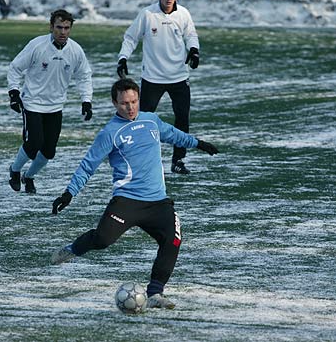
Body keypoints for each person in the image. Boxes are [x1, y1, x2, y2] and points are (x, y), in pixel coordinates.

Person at [51, 78, 218, 309]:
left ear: (139, 98)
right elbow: (88, 166)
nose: (130, 107)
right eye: (124, 103)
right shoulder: (110, 133)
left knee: (173, 240)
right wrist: (68, 194)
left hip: (158, 202)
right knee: (102, 240)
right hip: (127, 201)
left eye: (134, 101)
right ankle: (72, 249)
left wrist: (198, 143)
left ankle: (155, 294)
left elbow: (174, 134)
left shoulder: (152, 121)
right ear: (114, 103)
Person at [117, 0, 200, 175]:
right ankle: (139, 160)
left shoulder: (183, 14)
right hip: (153, 78)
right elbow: (130, 37)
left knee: (182, 119)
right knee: (142, 120)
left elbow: (191, 35)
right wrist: (122, 58)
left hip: (179, 77)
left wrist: (194, 50)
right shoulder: (147, 14)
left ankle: (178, 160)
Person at [7, 9, 93, 194]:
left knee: (49, 151)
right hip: (32, 103)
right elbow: (15, 68)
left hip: (55, 106)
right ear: (51, 27)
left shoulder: (75, 50)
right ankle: (14, 170)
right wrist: (14, 93)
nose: (63, 32)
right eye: (59, 27)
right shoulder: (37, 46)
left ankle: (28, 176)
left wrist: (86, 101)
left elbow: (84, 76)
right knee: (34, 143)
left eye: (67, 28)